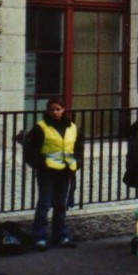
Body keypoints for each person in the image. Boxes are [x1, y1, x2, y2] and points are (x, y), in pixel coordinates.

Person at [23, 98, 81, 250]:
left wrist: (77, 162)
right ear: (47, 111)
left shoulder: (72, 127)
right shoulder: (40, 128)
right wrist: (41, 164)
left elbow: (78, 147)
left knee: (60, 205)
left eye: (58, 109)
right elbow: (30, 151)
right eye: (52, 109)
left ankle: (60, 236)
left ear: (63, 110)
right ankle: (39, 237)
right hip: (47, 171)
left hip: (65, 170)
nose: (55, 112)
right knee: (45, 203)